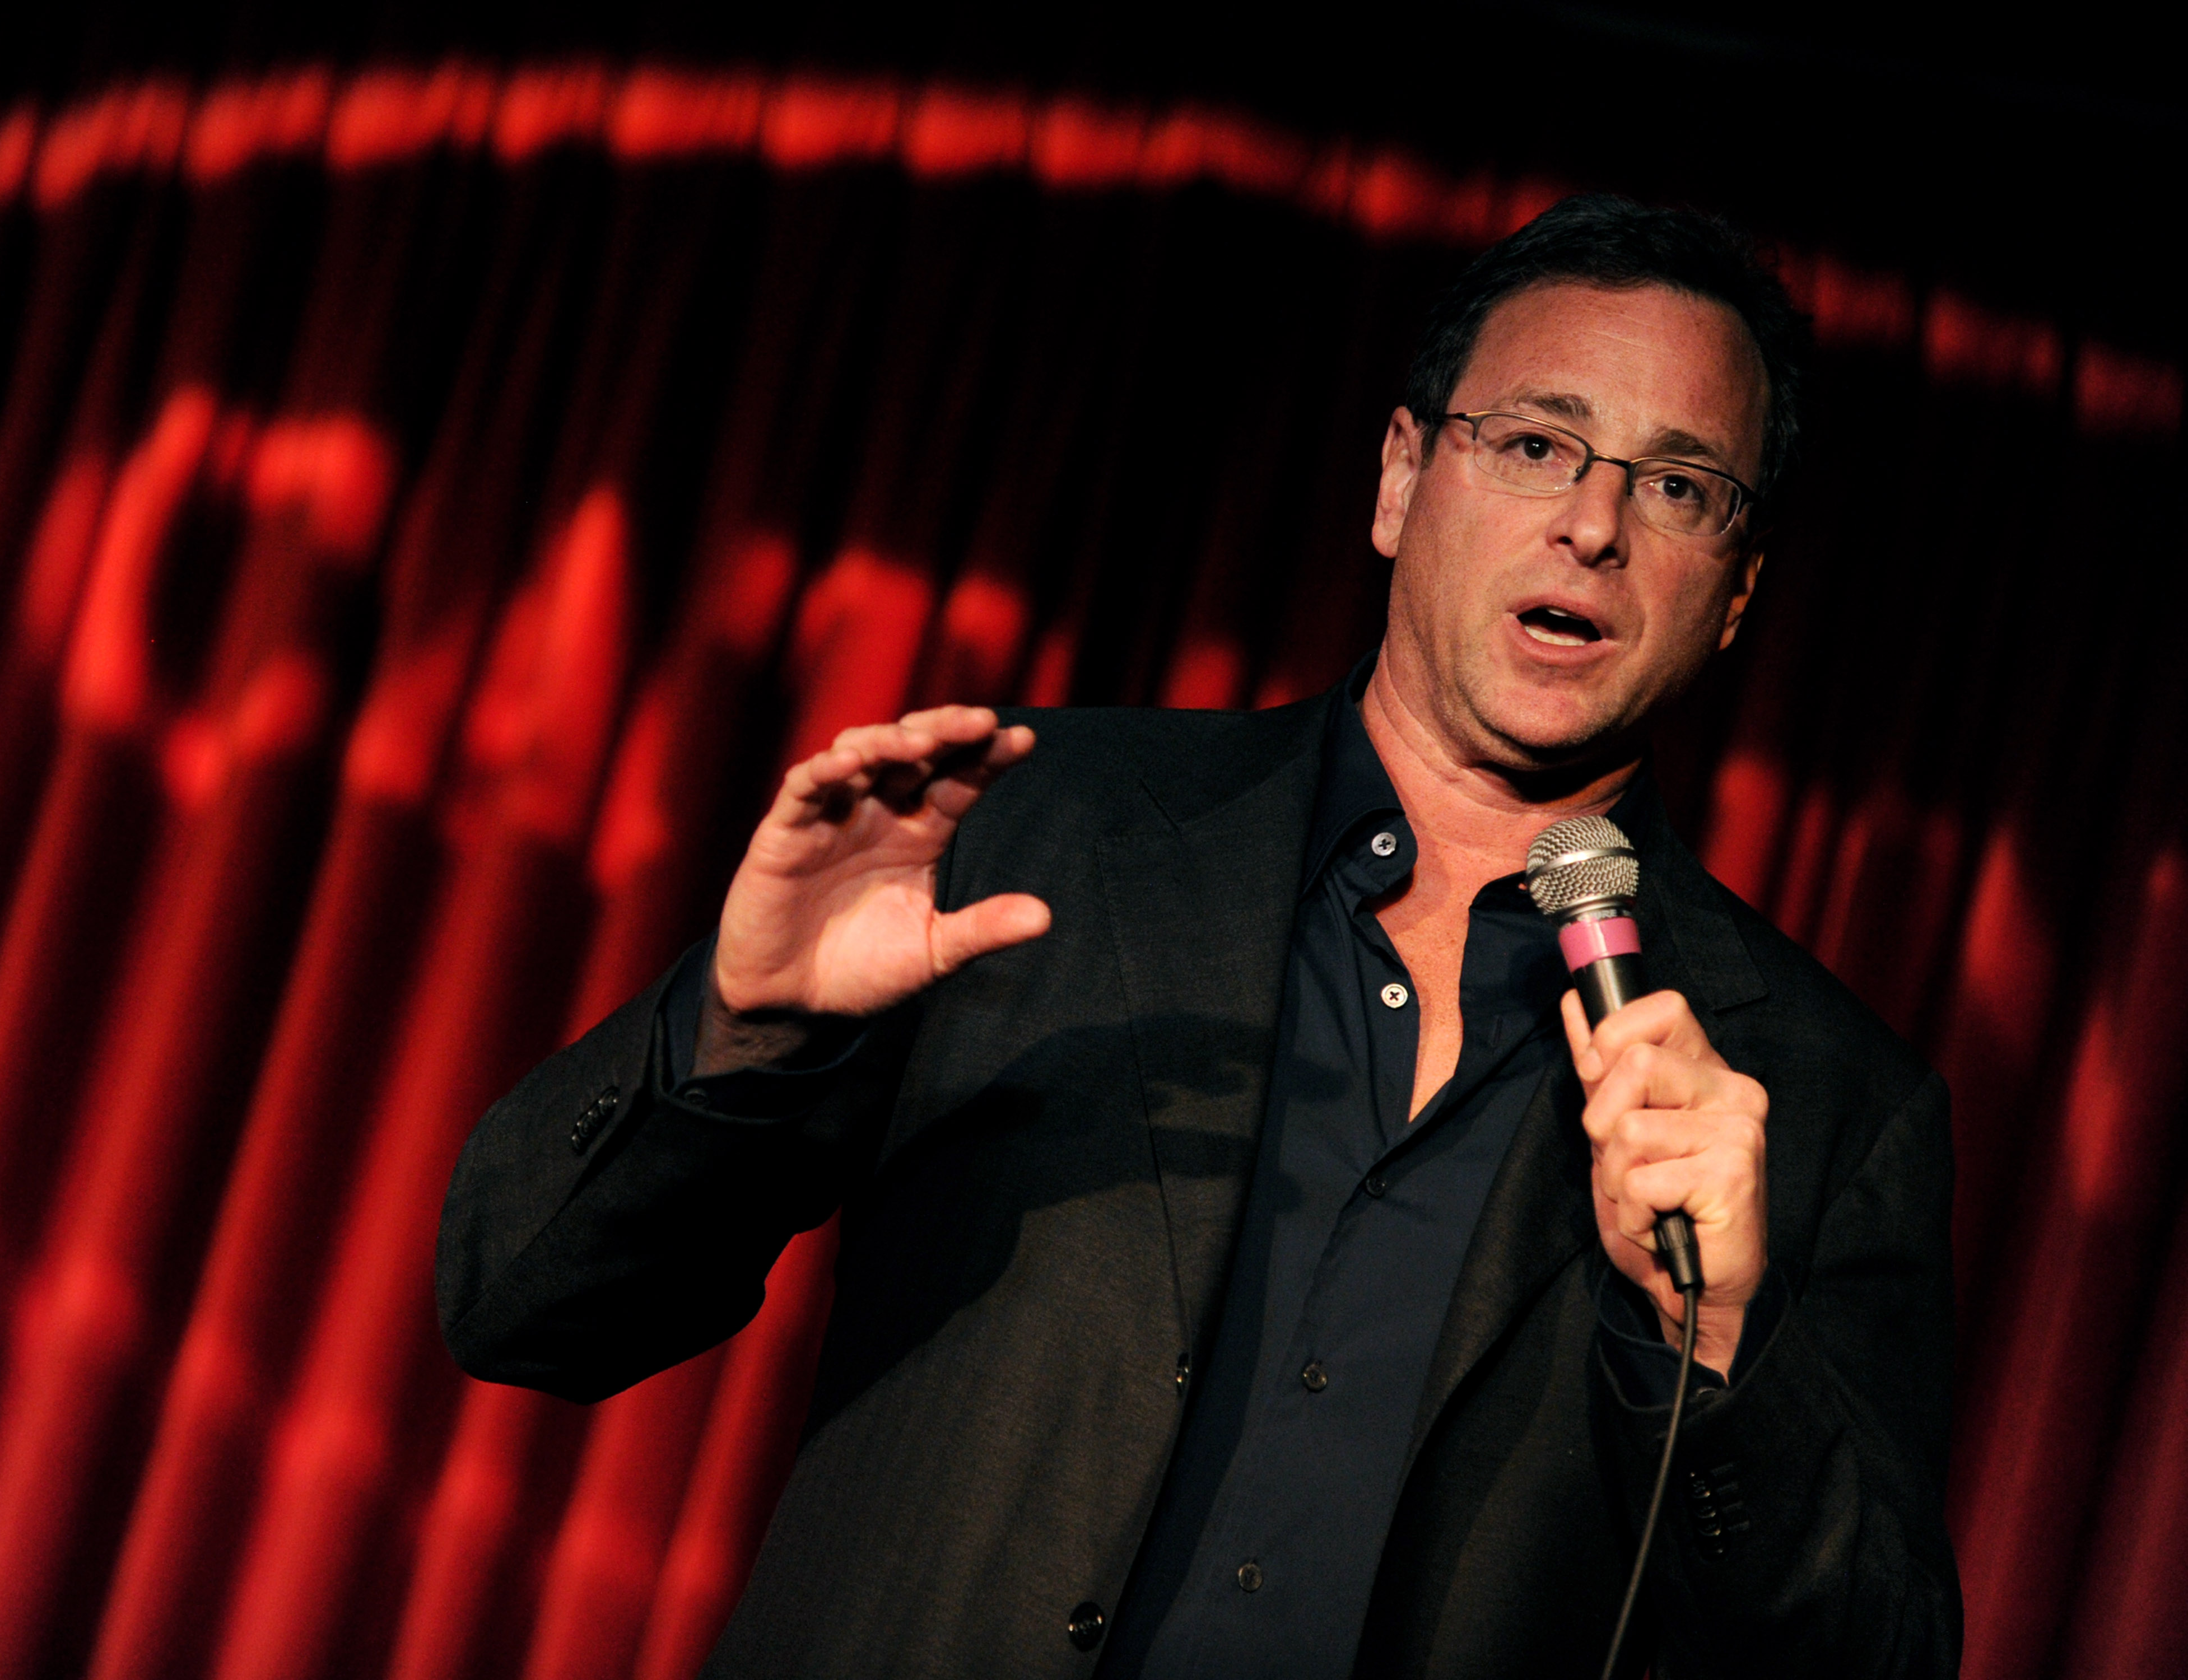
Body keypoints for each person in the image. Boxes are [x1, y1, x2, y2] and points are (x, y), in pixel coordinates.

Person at [437, 195, 1961, 1678]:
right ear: (1398, 476)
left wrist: (1722, 1348)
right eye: (1535, 444)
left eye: (1679, 486)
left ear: (1735, 594)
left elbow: (1867, 1650)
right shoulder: (1033, 831)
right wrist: (744, 1030)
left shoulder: (1818, 1100)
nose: (1593, 524)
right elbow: (528, 1305)